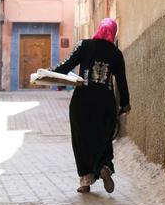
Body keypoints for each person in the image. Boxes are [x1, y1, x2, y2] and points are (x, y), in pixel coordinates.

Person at [51, 18, 130, 193]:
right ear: (113, 32)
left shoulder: (85, 45)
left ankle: (85, 181)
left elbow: (67, 66)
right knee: (103, 138)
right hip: (105, 104)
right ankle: (104, 167)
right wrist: (125, 104)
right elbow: (122, 82)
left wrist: (48, 74)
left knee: (81, 139)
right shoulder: (116, 54)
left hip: (82, 102)